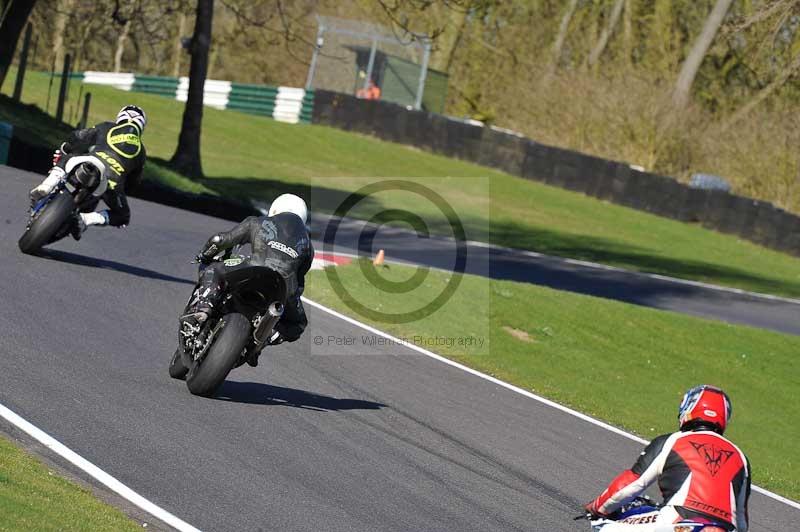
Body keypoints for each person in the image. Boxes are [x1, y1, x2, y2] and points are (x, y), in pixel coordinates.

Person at [585, 385, 750, 531]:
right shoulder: (741, 457)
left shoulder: (673, 441)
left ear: (689, 408)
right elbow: (742, 521)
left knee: (605, 528)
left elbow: (631, 485)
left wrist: (597, 507)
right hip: (726, 529)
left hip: (679, 520)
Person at [182, 193, 313, 367]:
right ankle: (263, 339)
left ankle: (204, 307)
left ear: (274, 209)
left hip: (253, 268)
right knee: (298, 323)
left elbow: (220, 240)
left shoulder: (257, 222)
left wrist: (204, 256)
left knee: (214, 269)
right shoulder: (308, 246)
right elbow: (300, 283)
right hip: (283, 287)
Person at [29, 105, 147, 240]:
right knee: (123, 216)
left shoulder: (107, 126)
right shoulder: (141, 152)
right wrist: (121, 187)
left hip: (91, 160)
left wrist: (67, 147)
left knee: (68, 156)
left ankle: (48, 185)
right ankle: (86, 219)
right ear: (142, 126)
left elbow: (80, 136)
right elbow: (133, 184)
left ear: (120, 117)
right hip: (111, 183)